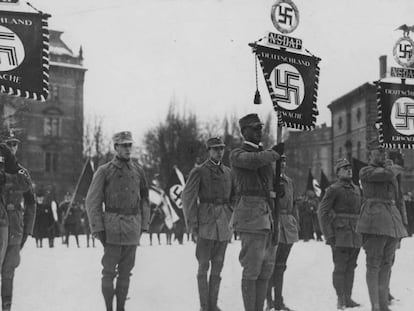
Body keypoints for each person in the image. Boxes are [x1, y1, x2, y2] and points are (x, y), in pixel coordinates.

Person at [86, 131, 150, 311]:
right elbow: (93, 200)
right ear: (115, 148)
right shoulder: (105, 170)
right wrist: (98, 227)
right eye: (124, 145)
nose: (128, 148)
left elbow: (145, 199)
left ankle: (120, 308)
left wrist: (144, 224)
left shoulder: (138, 170)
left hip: (132, 227)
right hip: (112, 228)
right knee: (108, 272)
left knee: (126, 272)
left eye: (130, 145)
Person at [230, 113, 283, 311]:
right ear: (244, 132)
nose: (259, 131)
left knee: (265, 270)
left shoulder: (263, 156)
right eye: (254, 128)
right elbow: (252, 161)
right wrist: (274, 153)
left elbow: (264, 179)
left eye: (260, 128)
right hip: (251, 217)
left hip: (267, 216)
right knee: (252, 269)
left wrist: (276, 190)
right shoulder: (238, 154)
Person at [182, 137, 233, 311]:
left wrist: (230, 213)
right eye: (215, 149)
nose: (219, 152)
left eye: (221, 148)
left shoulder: (228, 172)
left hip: (224, 225)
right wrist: (193, 223)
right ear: (208, 151)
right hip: (206, 224)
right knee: (203, 266)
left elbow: (235, 196)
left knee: (218, 266)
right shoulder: (199, 171)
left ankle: (213, 305)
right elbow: (188, 197)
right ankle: (204, 306)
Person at [356, 138, 408, 311]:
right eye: (378, 152)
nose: (382, 154)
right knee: (374, 264)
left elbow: (398, 197)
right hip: (374, 222)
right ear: (369, 154)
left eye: (384, 151)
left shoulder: (389, 171)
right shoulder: (365, 171)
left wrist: (403, 223)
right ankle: (375, 306)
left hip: (392, 222)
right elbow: (384, 175)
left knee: (386, 264)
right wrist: (395, 166)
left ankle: (383, 305)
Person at [318, 158, 362, 310]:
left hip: (355, 233)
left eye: (349, 168)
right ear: (337, 172)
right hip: (340, 234)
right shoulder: (333, 189)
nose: (349, 170)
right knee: (340, 267)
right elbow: (322, 212)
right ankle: (340, 299)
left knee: (352, 266)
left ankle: (348, 298)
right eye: (344, 168)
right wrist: (328, 234)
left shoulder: (357, 189)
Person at [1, 133, 36, 311]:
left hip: (15, 226)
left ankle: (6, 307)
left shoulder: (22, 172)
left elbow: (31, 203)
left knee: (9, 271)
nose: (12, 148)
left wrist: (27, 230)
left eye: (15, 144)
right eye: (8, 144)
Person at [266, 155, 299, 311]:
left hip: (288, 226)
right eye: (279, 162)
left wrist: (295, 223)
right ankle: (269, 301)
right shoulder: (268, 180)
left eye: (284, 161)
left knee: (281, 266)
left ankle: (278, 301)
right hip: (273, 222)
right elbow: (266, 200)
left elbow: (293, 205)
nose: (283, 164)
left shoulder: (289, 181)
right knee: (269, 266)